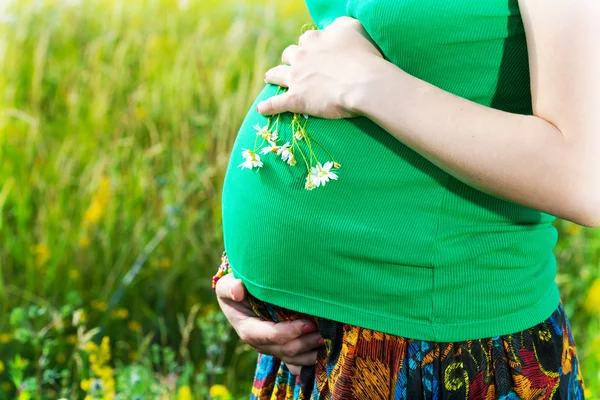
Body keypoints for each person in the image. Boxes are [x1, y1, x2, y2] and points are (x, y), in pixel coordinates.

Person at [216, 0, 597, 398]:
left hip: (442, 354)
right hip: (311, 349)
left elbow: (583, 176)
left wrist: (367, 83)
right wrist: (249, 283)